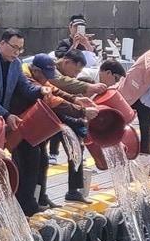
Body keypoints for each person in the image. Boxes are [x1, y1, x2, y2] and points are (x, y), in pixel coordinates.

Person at [0, 30, 48, 215]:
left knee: (32, 155)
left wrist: (41, 91)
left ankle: (26, 203)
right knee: (0, 164)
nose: (16, 52)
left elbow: (25, 87)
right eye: (13, 47)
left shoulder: (16, 64)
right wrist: (6, 114)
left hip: (5, 120)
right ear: (2, 44)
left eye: (20, 49)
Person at [29, 53, 99, 203]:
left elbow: (53, 89)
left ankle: (71, 191)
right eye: (76, 71)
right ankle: (37, 197)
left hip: (54, 116)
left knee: (75, 148)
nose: (76, 74)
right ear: (36, 71)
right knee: (39, 160)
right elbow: (54, 100)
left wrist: (76, 99)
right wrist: (82, 111)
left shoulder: (44, 76)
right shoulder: (27, 77)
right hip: (35, 120)